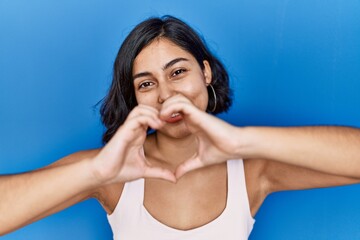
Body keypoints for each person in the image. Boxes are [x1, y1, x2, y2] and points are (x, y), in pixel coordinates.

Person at [1, 15, 360, 239]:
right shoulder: (110, 173)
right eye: (146, 84)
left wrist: (241, 141)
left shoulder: (253, 170)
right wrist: (95, 171)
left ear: (205, 73)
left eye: (177, 72)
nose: (166, 95)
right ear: (135, 99)